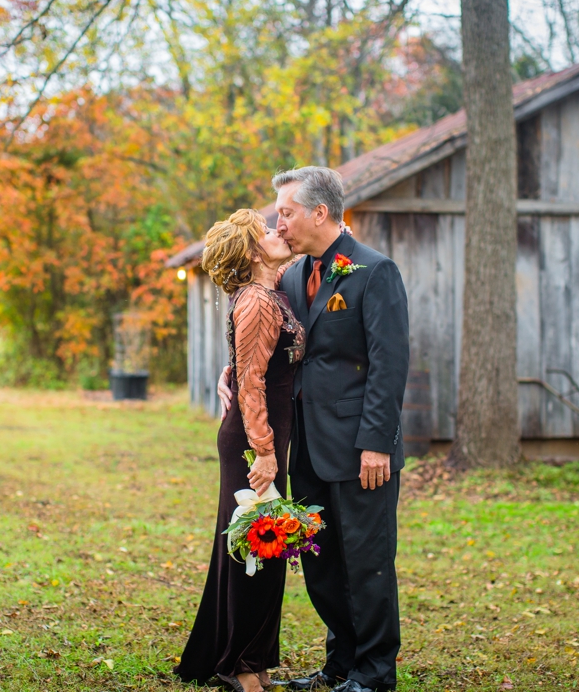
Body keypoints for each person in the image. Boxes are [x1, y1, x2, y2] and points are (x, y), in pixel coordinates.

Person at [218, 167, 410, 692]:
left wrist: (377, 444)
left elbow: (389, 364)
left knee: (367, 563)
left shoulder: (374, 271)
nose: (279, 223)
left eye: (286, 212)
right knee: (323, 569)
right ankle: (341, 665)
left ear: (319, 213)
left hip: (360, 451)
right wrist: (230, 371)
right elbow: (267, 341)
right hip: (303, 448)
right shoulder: (291, 274)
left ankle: (375, 674)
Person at [175, 209, 306, 692]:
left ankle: (251, 659)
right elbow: (251, 383)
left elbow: (247, 365)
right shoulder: (256, 300)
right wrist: (266, 452)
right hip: (254, 442)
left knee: (266, 548)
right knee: (256, 547)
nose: (278, 231)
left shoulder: (269, 289)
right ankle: (241, 666)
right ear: (253, 252)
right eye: (267, 230)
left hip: (265, 436)